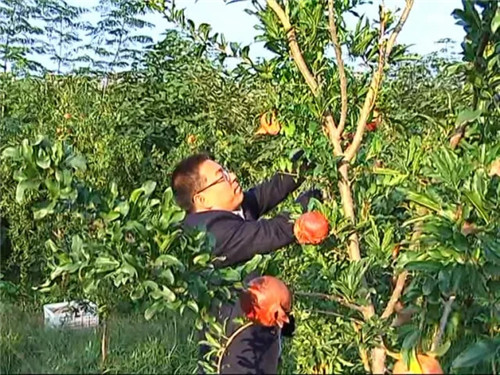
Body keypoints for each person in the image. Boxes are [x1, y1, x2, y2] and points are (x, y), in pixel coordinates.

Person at [171, 151, 321, 374]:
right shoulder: (207, 234)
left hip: (256, 342)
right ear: (202, 199)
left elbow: (268, 191)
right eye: (221, 177)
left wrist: (314, 158)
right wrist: (318, 198)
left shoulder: (227, 214)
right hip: (238, 356)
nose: (232, 176)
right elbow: (270, 232)